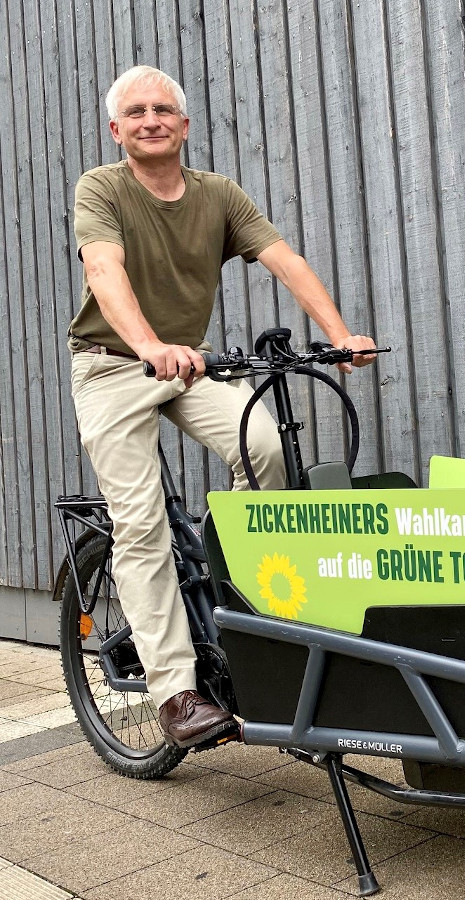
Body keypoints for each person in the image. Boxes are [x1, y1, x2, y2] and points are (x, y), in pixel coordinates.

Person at [68, 65, 376, 749]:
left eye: (164, 109)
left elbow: (284, 258)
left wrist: (339, 335)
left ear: (184, 124)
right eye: (137, 112)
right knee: (141, 522)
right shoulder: (103, 187)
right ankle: (175, 691)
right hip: (113, 365)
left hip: (188, 363)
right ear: (117, 130)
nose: (152, 119)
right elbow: (104, 270)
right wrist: (148, 343)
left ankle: (239, 610)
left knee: (263, 446)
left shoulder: (218, 195)